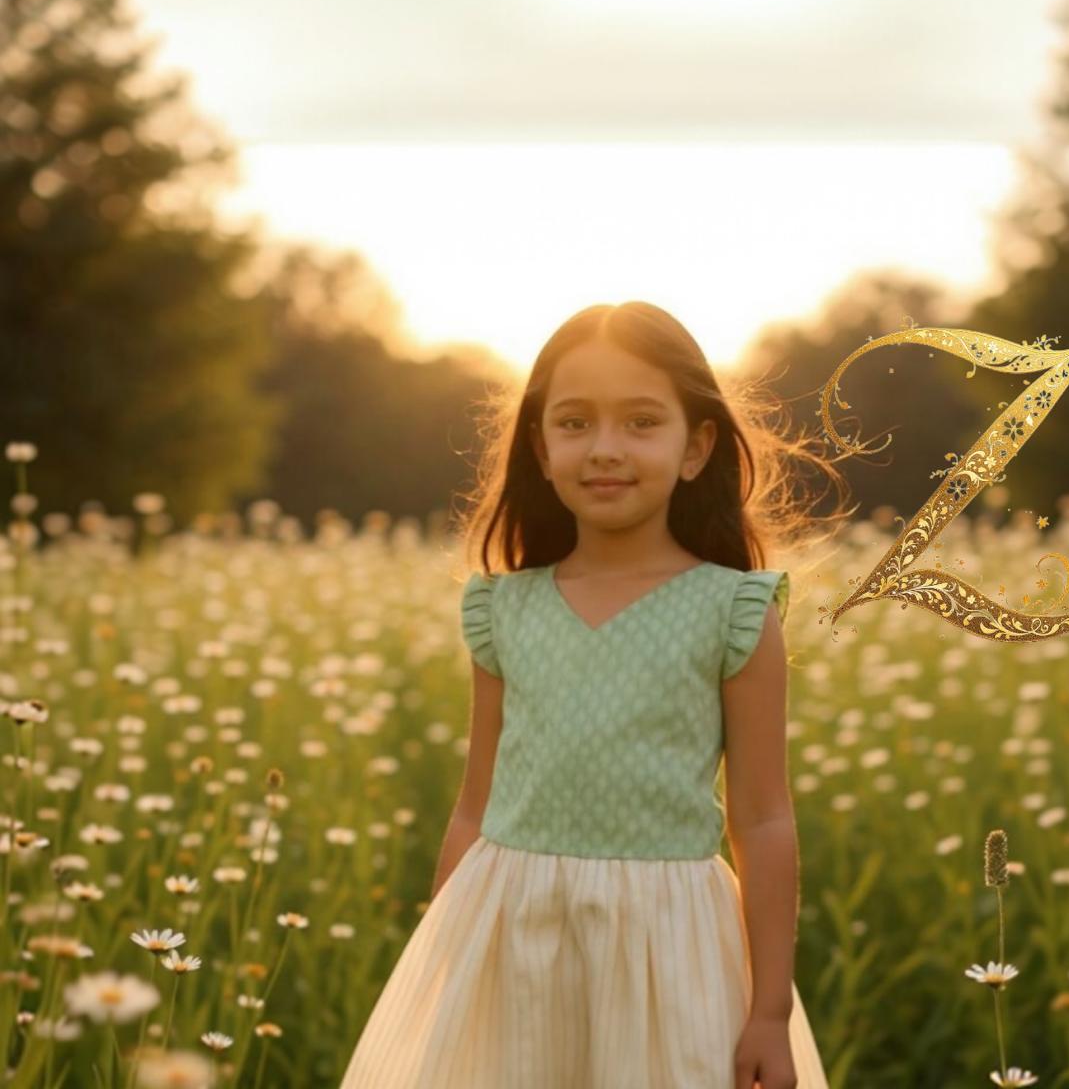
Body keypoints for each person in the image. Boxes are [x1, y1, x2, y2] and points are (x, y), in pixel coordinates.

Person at [339, 300, 854, 1089]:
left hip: (667, 950)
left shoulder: (734, 609)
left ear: (697, 446)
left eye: (642, 422)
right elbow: (475, 807)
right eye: (574, 423)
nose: (605, 449)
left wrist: (769, 1011)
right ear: (540, 449)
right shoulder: (501, 609)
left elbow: (762, 817)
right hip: (509, 937)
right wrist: (441, 964)